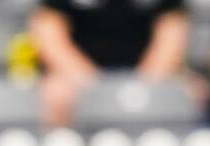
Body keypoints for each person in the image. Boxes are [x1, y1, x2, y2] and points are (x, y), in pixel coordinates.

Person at [30, 0, 192, 128]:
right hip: (78, 75)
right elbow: (49, 32)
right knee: (56, 93)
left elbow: (172, 31)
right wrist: (92, 84)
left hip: (147, 72)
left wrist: (145, 84)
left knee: (190, 91)